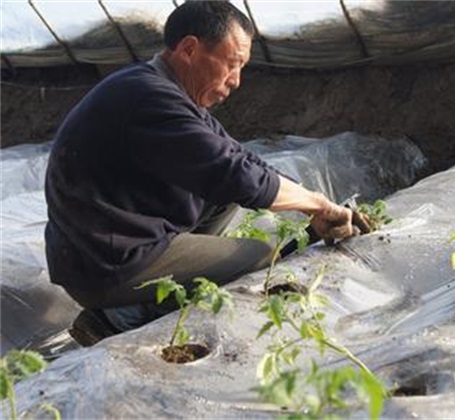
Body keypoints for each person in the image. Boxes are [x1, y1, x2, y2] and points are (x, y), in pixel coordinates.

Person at [44, 1, 357, 346]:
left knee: (223, 199)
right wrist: (316, 206)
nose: (236, 81)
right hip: (106, 265)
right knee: (257, 256)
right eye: (232, 64)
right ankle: (117, 317)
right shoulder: (148, 98)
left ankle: (162, 285)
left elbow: (239, 159)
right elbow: (234, 174)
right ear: (190, 49)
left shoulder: (163, 90)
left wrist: (310, 209)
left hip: (111, 240)